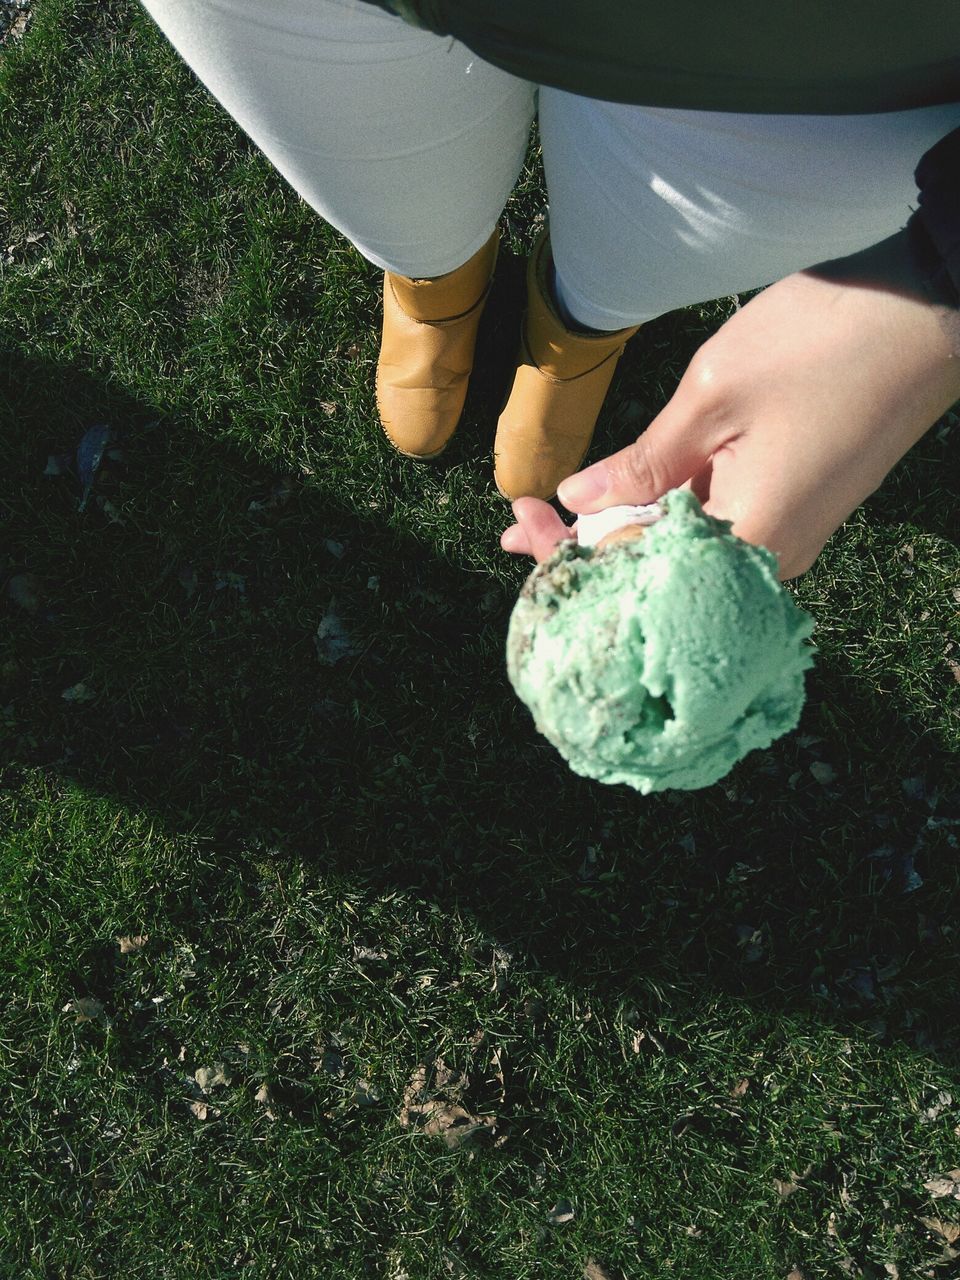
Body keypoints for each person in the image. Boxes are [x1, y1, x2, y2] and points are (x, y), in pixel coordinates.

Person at [139, 0, 960, 580]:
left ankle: (577, 335)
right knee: (395, 195)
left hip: (825, 40)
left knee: (642, 250)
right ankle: (437, 289)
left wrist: (941, 299)